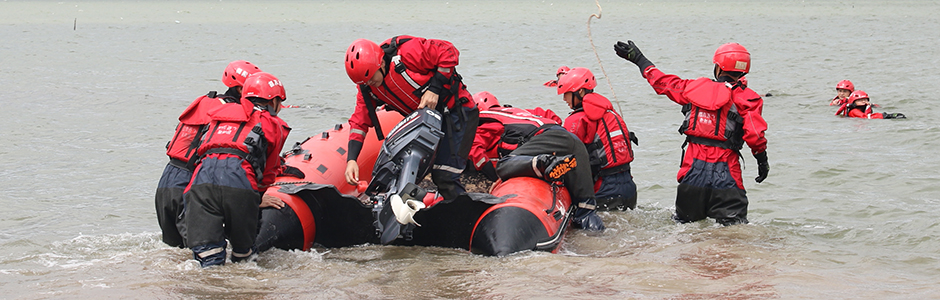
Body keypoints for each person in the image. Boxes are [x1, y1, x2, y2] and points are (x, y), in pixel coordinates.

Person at [614, 40, 769, 226]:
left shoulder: (692, 88)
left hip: (693, 173)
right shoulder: (749, 99)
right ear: (744, 71)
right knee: (733, 235)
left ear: (718, 67)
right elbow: (755, 136)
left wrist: (639, 59)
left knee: (685, 229)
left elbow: (661, 82)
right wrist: (762, 162)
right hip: (727, 176)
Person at [343, 36, 479, 201]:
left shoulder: (407, 53)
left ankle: (464, 214)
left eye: (371, 78)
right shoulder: (367, 86)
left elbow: (448, 51)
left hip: (457, 112)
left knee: (444, 176)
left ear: (382, 64)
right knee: (404, 176)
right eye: (365, 82)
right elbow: (359, 121)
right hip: (430, 123)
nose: (370, 83)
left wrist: (434, 89)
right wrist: (351, 160)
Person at [184, 72, 291, 267]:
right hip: (239, 183)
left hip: (200, 183)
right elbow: (269, 172)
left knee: (207, 258)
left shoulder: (219, 116)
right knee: (244, 257)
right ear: (273, 101)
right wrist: (258, 198)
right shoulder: (272, 124)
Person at [155, 60, 260, 248]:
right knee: (199, 251)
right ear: (239, 89)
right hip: (189, 183)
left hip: (166, 182)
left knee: (175, 254)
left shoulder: (205, 101)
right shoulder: (230, 112)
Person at [481, 92, 606, 231]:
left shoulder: (482, 120)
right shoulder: (519, 112)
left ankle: (544, 163)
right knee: (586, 211)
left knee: (503, 165)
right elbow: (551, 116)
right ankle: (601, 240)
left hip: (550, 139)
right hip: (572, 142)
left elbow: (475, 152)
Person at [557, 67, 639, 211]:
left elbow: (565, 157)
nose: (564, 99)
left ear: (580, 91)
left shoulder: (577, 119)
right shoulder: (610, 113)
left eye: (566, 94)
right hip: (629, 187)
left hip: (604, 189)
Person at [467, 91, 562, 181]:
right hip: (556, 134)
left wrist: (493, 176)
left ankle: (542, 163)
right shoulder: (517, 112)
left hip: (534, 146)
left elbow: (473, 149)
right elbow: (551, 116)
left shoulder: (488, 123)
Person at [836, 90, 906, 119]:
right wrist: (886, 116)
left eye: (865, 100)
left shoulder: (863, 108)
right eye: (860, 100)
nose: (863, 102)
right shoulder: (854, 111)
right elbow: (866, 117)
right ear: (854, 102)